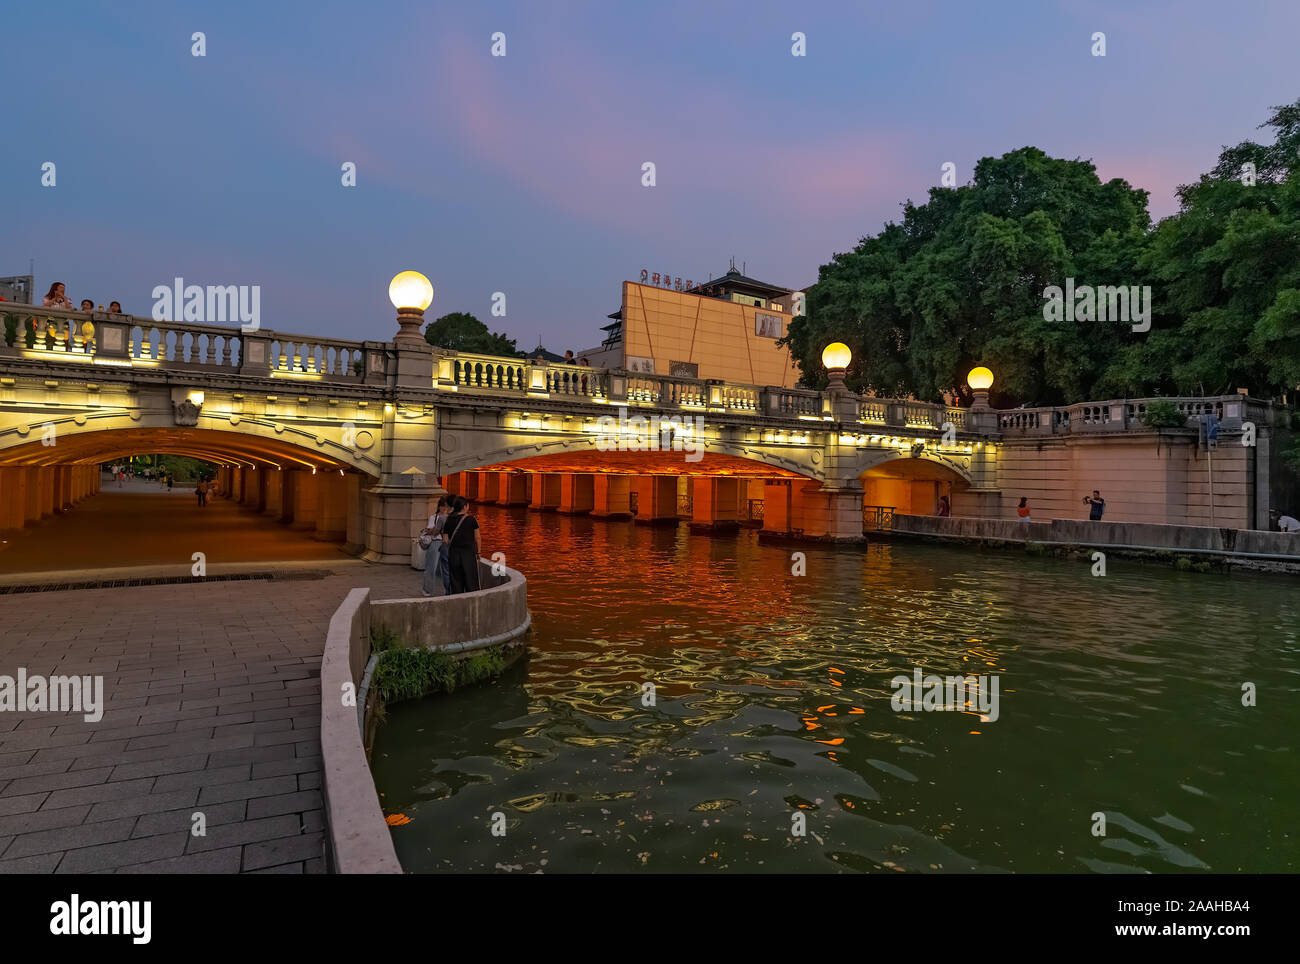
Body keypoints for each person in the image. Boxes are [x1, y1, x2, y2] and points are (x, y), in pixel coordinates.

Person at [442, 496, 481, 594]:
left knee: (456, 581)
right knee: (470, 581)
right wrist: (479, 552)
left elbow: (445, 540)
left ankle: (457, 601)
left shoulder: (449, 520)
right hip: (468, 554)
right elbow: (478, 538)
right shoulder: (471, 519)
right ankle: (470, 604)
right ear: (464, 507)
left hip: (454, 554)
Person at [420, 497, 453, 596]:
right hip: (435, 542)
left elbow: (432, 531)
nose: (444, 508)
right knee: (431, 567)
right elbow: (431, 531)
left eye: (446, 506)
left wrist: (435, 529)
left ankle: (447, 590)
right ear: (439, 507)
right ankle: (428, 589)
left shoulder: (447, 517)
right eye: (443, 506)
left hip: (444, 543)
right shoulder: (434, 517)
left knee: (445, 569)